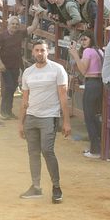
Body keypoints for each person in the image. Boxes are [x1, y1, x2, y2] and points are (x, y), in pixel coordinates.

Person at [18, 40, 70, 204]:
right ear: (32, 52)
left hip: (49, 116)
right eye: (37, 50)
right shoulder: (28, 72)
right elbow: (24, 100)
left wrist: (66, 121)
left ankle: (56, 186)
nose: (40, 53)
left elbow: (63, 97)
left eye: (43, 50)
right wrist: (21, 122)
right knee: (33, 152)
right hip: (32, 116)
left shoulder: (57, 69)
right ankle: (36, 186)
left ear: (48, 52)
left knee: (47, 150)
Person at [69, 31, 103, 158]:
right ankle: (107, 141)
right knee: (94, 116)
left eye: (85, 39)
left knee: (89, 117)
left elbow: (83, 70)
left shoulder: (88, 51)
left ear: (90, 40)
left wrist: (75, 55)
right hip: (99, 84)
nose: (83, 42)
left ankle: (95, 149)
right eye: (81, 39)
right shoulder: (98, 50)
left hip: (91, 83)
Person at [0, 15, 27, 120]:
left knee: (13, 87)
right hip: (5, 66)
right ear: (8, 25)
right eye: (13, 24)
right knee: (9, 86)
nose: (15, 25)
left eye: (17, 24)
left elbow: (33, 28)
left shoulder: (19, 34)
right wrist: (0, 64)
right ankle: (3, 111)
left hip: (16, 65)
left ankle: (8, 111)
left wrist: (36, 16)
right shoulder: (2, 36)